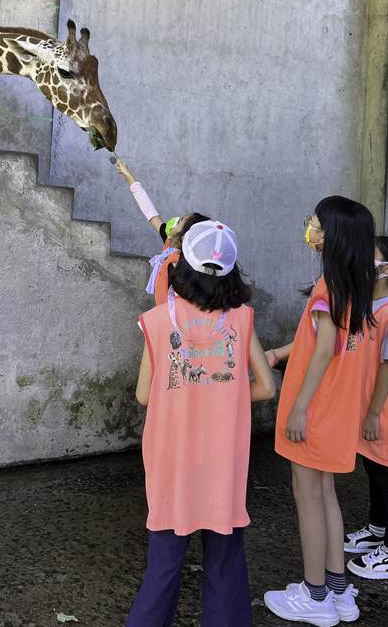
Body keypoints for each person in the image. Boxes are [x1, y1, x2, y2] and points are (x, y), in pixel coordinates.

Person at [126, 220, 276, 626]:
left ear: (182, 266)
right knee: (225, 562)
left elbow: (144, 395)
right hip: (223, 461)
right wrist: (223, 390)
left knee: (163, 565)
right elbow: (266, 386)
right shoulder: (241, 318)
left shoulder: (158, 320)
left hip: (171, 462)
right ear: (231, 271)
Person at [264, 197, 376, 626]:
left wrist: (299, 408)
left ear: (331, 236)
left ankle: (314, 596)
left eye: (313, 223)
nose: (308, 230)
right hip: (337, 412)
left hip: (316, 411)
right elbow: (318, 340)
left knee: (308, 497)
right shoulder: (357, 284)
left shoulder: (329, 287)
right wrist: (280, 354)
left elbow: (325, 349)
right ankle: (337, 589)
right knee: (325, 494)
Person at [344, 235, 388, 581]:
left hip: (382, 414)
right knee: (373, 470)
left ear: (386, 270)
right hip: (369, 411)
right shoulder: (370, 307)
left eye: (367, 257)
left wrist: (373, 414)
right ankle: (376, 530)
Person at [114, 158, 208, 303]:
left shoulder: (190, 266)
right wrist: (129, 176)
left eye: (180, 221)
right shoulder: (169, 241)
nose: (175, 221)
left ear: (184, 237)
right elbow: (150, 212)